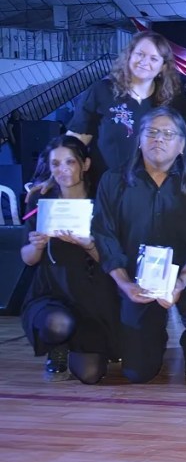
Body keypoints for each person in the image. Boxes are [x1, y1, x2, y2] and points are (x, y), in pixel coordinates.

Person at [92, 107, 186, 383]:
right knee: (138, 373)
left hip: (185, 276)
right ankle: (153, 333)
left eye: (167, 134)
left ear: (181, 144)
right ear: (139, 138)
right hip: (135, 281)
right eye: (151, 132)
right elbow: (105, 237)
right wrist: (125, 285)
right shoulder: (113, 180)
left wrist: (182, 281)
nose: (158, 139)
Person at [20, 136, 119, 384]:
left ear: (84, 165)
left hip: (94, 296)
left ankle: (83, 345)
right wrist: (36, 245)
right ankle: (58, 349)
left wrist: (90, 245)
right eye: (55, 164)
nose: (62, 170)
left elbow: (112, 258)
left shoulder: (103, 202)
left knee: (91, 375)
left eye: (69, 162)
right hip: (52, 291)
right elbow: (29, 259)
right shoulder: (39, 201)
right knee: (58, 324)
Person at [66, 31, 182, 180]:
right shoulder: (102, 91)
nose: (144, 62)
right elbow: (76, 140)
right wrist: (52, 176)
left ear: (163, 67)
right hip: (105, 185)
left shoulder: (170, 102)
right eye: (140, 54)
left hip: (152, 190)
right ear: (129, 56)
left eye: (153, 58)